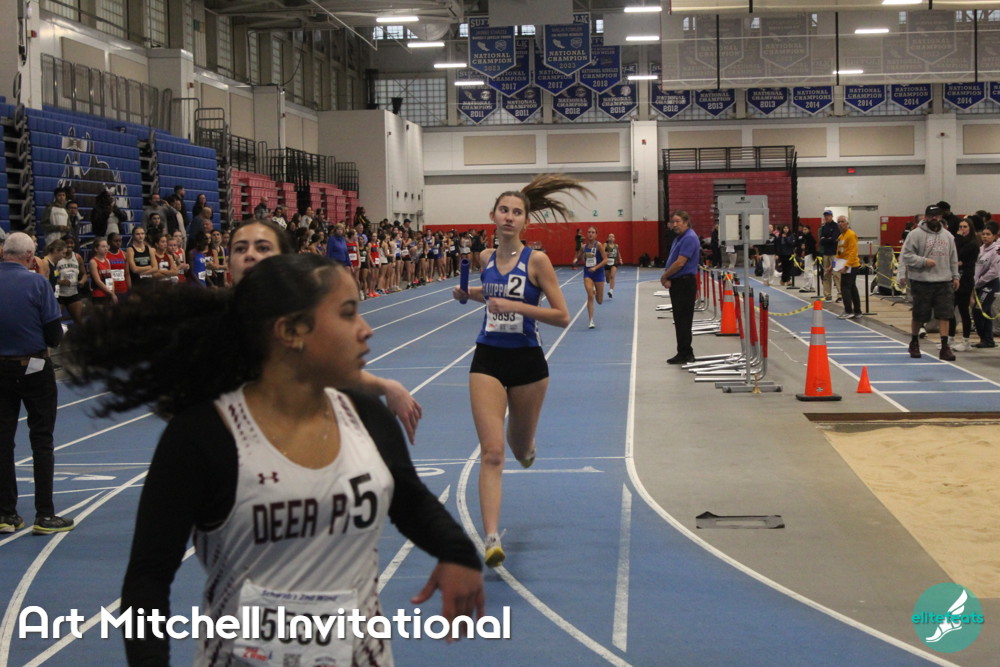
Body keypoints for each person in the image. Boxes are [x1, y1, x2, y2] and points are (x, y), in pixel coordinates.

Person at [65, 253, 483, 664]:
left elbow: (409, 500)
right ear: (290, 332)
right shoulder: (205, 437)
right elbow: (148, 579)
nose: (366, 329)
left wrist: (457, 551)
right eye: (348, 313)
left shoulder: (366, 416)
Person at [451, 174, 581, 567]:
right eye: (504, 210)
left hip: (528, 362)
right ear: (493, 216)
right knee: (492, 452)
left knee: (519, 448)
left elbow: (562, 315)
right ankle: (491, 538)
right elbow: (492, 295)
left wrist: (517, 307)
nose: (509, 217)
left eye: (517, 212)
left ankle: (526, 447)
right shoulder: (485, 259)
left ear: (526, 221)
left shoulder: (537, 261)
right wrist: (468, 293)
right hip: (487, 358)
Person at [0, 233, 74, 535]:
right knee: (42, 439)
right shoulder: (38, 284)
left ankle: (6, 514)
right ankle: (44, 514)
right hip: (34, 367)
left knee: (3, 441)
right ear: (30, 257)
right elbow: (54, 336)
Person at [898, 204, 960, 360]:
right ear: (925, 217)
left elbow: (953, 258)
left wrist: (955, 276)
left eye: (937, 216)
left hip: (944, 281)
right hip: (922, 281)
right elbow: (906, 256)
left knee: (945, 315)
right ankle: (914, 342)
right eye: (931, 216)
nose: (934, 218)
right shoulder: (915, 235)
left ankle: (944, 347)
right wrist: (924, 261)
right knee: (919, 315)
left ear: (941, 217)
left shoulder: (948, 236)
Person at [661, 210, 700, 365]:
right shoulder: (679, 238)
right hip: (678, 282)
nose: (675, 224)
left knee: (683, 319)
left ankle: (686, 353)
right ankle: (683, 351)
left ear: (686, 222)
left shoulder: (689, 238)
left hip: (685, 283)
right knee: (679, 319)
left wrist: (665, 276)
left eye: (678, 221)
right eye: (673, 222)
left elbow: (680, 263)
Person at [950, 217, 981, 351]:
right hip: (956, 278)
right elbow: (953, 256)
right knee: (950, 310)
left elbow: (957, 254)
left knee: (963, 311)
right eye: (960, 227)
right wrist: (957, 262)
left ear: (970, 228)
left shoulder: (972, 243)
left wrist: (958, 238)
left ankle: (966, 341)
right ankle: (950, 338)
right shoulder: (960, 241)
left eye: (965, 227)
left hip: (966, 279)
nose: (962, 229)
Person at [972, 221, 1000, 348]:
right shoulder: (980, 249)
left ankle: (985, 338)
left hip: (990, 283)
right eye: (983, 234)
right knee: (985, 311)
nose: (985, 236)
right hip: (979, 285)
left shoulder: (996, 250)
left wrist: (980, 281)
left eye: (988, 234)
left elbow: (994, 271)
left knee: (979, 310)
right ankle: (987, 340)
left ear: (994, 236)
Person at [577, 226, 607, 329]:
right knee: (590, 295)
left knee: (599, 301)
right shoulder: (583, 247)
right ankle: (591, 321)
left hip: (598, 273)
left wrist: (595, 267)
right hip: (588, 273)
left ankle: (595, 290)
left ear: (596, 234)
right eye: (589, 232)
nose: (590, 234)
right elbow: (579, 257)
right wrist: (576, 260)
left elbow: (605, 260)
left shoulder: (599, 245)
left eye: (593, 232)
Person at [834, 216, 862, 320]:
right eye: (839, 222)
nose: (840, 224)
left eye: (842, 222)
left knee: (845, 287)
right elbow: (839, 253)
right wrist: (832, 266)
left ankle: (848, 311)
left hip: (851, 266)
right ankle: (857, 311)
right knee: (852, 288)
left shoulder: (851, 235)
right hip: (844, 265)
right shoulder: (841, 236)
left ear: (847, 223)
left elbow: (853, 252)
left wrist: (846, 266)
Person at [819, 210, 840, 301]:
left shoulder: (836, 226)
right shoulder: (824, 227)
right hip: (826, 254)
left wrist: (826, 239)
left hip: (834, 254)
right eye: (825, 216)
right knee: (826, 274)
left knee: (836, 274)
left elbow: (834, 239)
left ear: (832, 216)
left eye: (828, 215)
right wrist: (828, 239)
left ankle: (840, 295)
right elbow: (821, 241)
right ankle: (827, 294)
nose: (826, 217)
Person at [797, 223, 817, 293]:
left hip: (809, 254)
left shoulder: (809, 237)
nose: (804, 231)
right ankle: (812, 286)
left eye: (805, 229)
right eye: (803, 229)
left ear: (808, 230)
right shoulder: (804, 237)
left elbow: (812, 246)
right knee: (809, 270)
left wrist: (805, 247)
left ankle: (807, 287)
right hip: (807, 254)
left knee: (808, 271)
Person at [604, 233, 620, 298]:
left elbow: (618, 253)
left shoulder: (616, 245)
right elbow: (602, 252)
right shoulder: (605, 245)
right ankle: (608, 281)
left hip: (614, 263)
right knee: (607, 280)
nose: (611, 238)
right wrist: (606, 253)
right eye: (610, 237)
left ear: (614, 238)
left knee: (612, 276)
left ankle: (611, 291)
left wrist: (620, 259)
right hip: (607, 263)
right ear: (608, 238)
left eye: (612, 237)